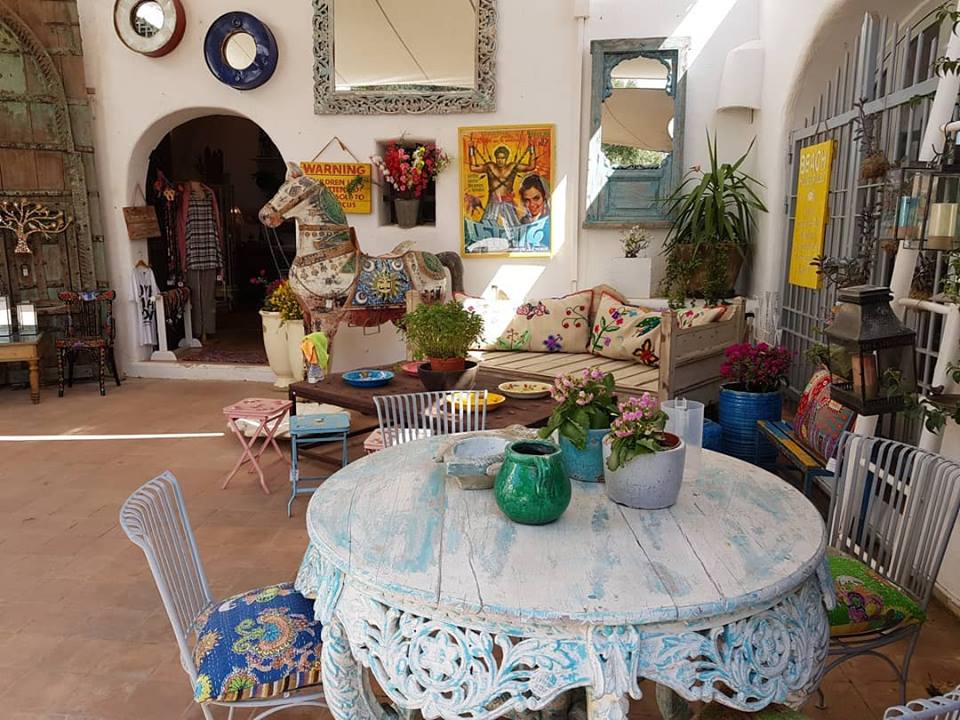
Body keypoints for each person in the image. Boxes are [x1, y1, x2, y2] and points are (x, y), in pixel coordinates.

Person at [468, 143, 536, 237]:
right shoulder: (490, 166)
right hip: (493, 201)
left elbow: (531, 166)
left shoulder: (512, 166)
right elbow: (473, 168)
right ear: (495, 158)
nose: (500, 160)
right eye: (498, 158)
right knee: (484, 227)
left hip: (507, 202)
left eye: (503, 158)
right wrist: (471, 149)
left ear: (506, 158)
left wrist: (532, 148)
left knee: (515, 227)